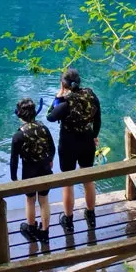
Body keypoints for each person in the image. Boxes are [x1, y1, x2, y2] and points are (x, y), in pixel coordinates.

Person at [47, 67, 101, 233]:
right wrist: (94, 135)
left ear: (63, 84)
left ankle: (68, 220)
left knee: (68, 183)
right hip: (87, 140)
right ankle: (91, 216)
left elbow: (50, 116)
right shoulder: (91, 95)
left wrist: (57, 98)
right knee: (88, 179)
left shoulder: (65, 102)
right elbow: (98, 119)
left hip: (68, 143)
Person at [10, 97, 55, 242]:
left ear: (19, 115)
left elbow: (14, 160)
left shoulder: (18, 135)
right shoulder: (44, 128)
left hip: (29, 171)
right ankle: (45, 232)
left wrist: (14, 178)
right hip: (45, 168)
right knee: (44, 200)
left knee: (30, 200)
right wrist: (49, 161)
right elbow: (52, 149)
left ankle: (30, 228)